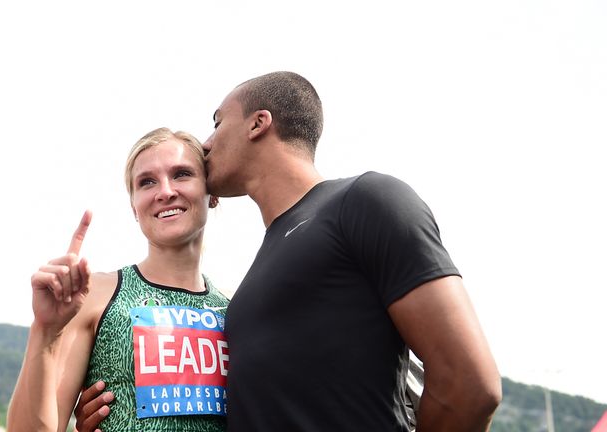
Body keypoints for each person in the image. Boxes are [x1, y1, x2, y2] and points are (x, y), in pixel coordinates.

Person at [75, 71, 502, 431]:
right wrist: (119, 410)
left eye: (217, 122)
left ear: (258, 123)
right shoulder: (247, 282)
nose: (206, 143)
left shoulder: (366, 199)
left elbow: (470, 384)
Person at [6, 127, 229, 432]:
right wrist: (44, 331)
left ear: (212, 192)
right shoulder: (94, 296)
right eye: (147, 182)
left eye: (181, 174)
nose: (165, 191)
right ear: (134, 207)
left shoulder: (233, 311)